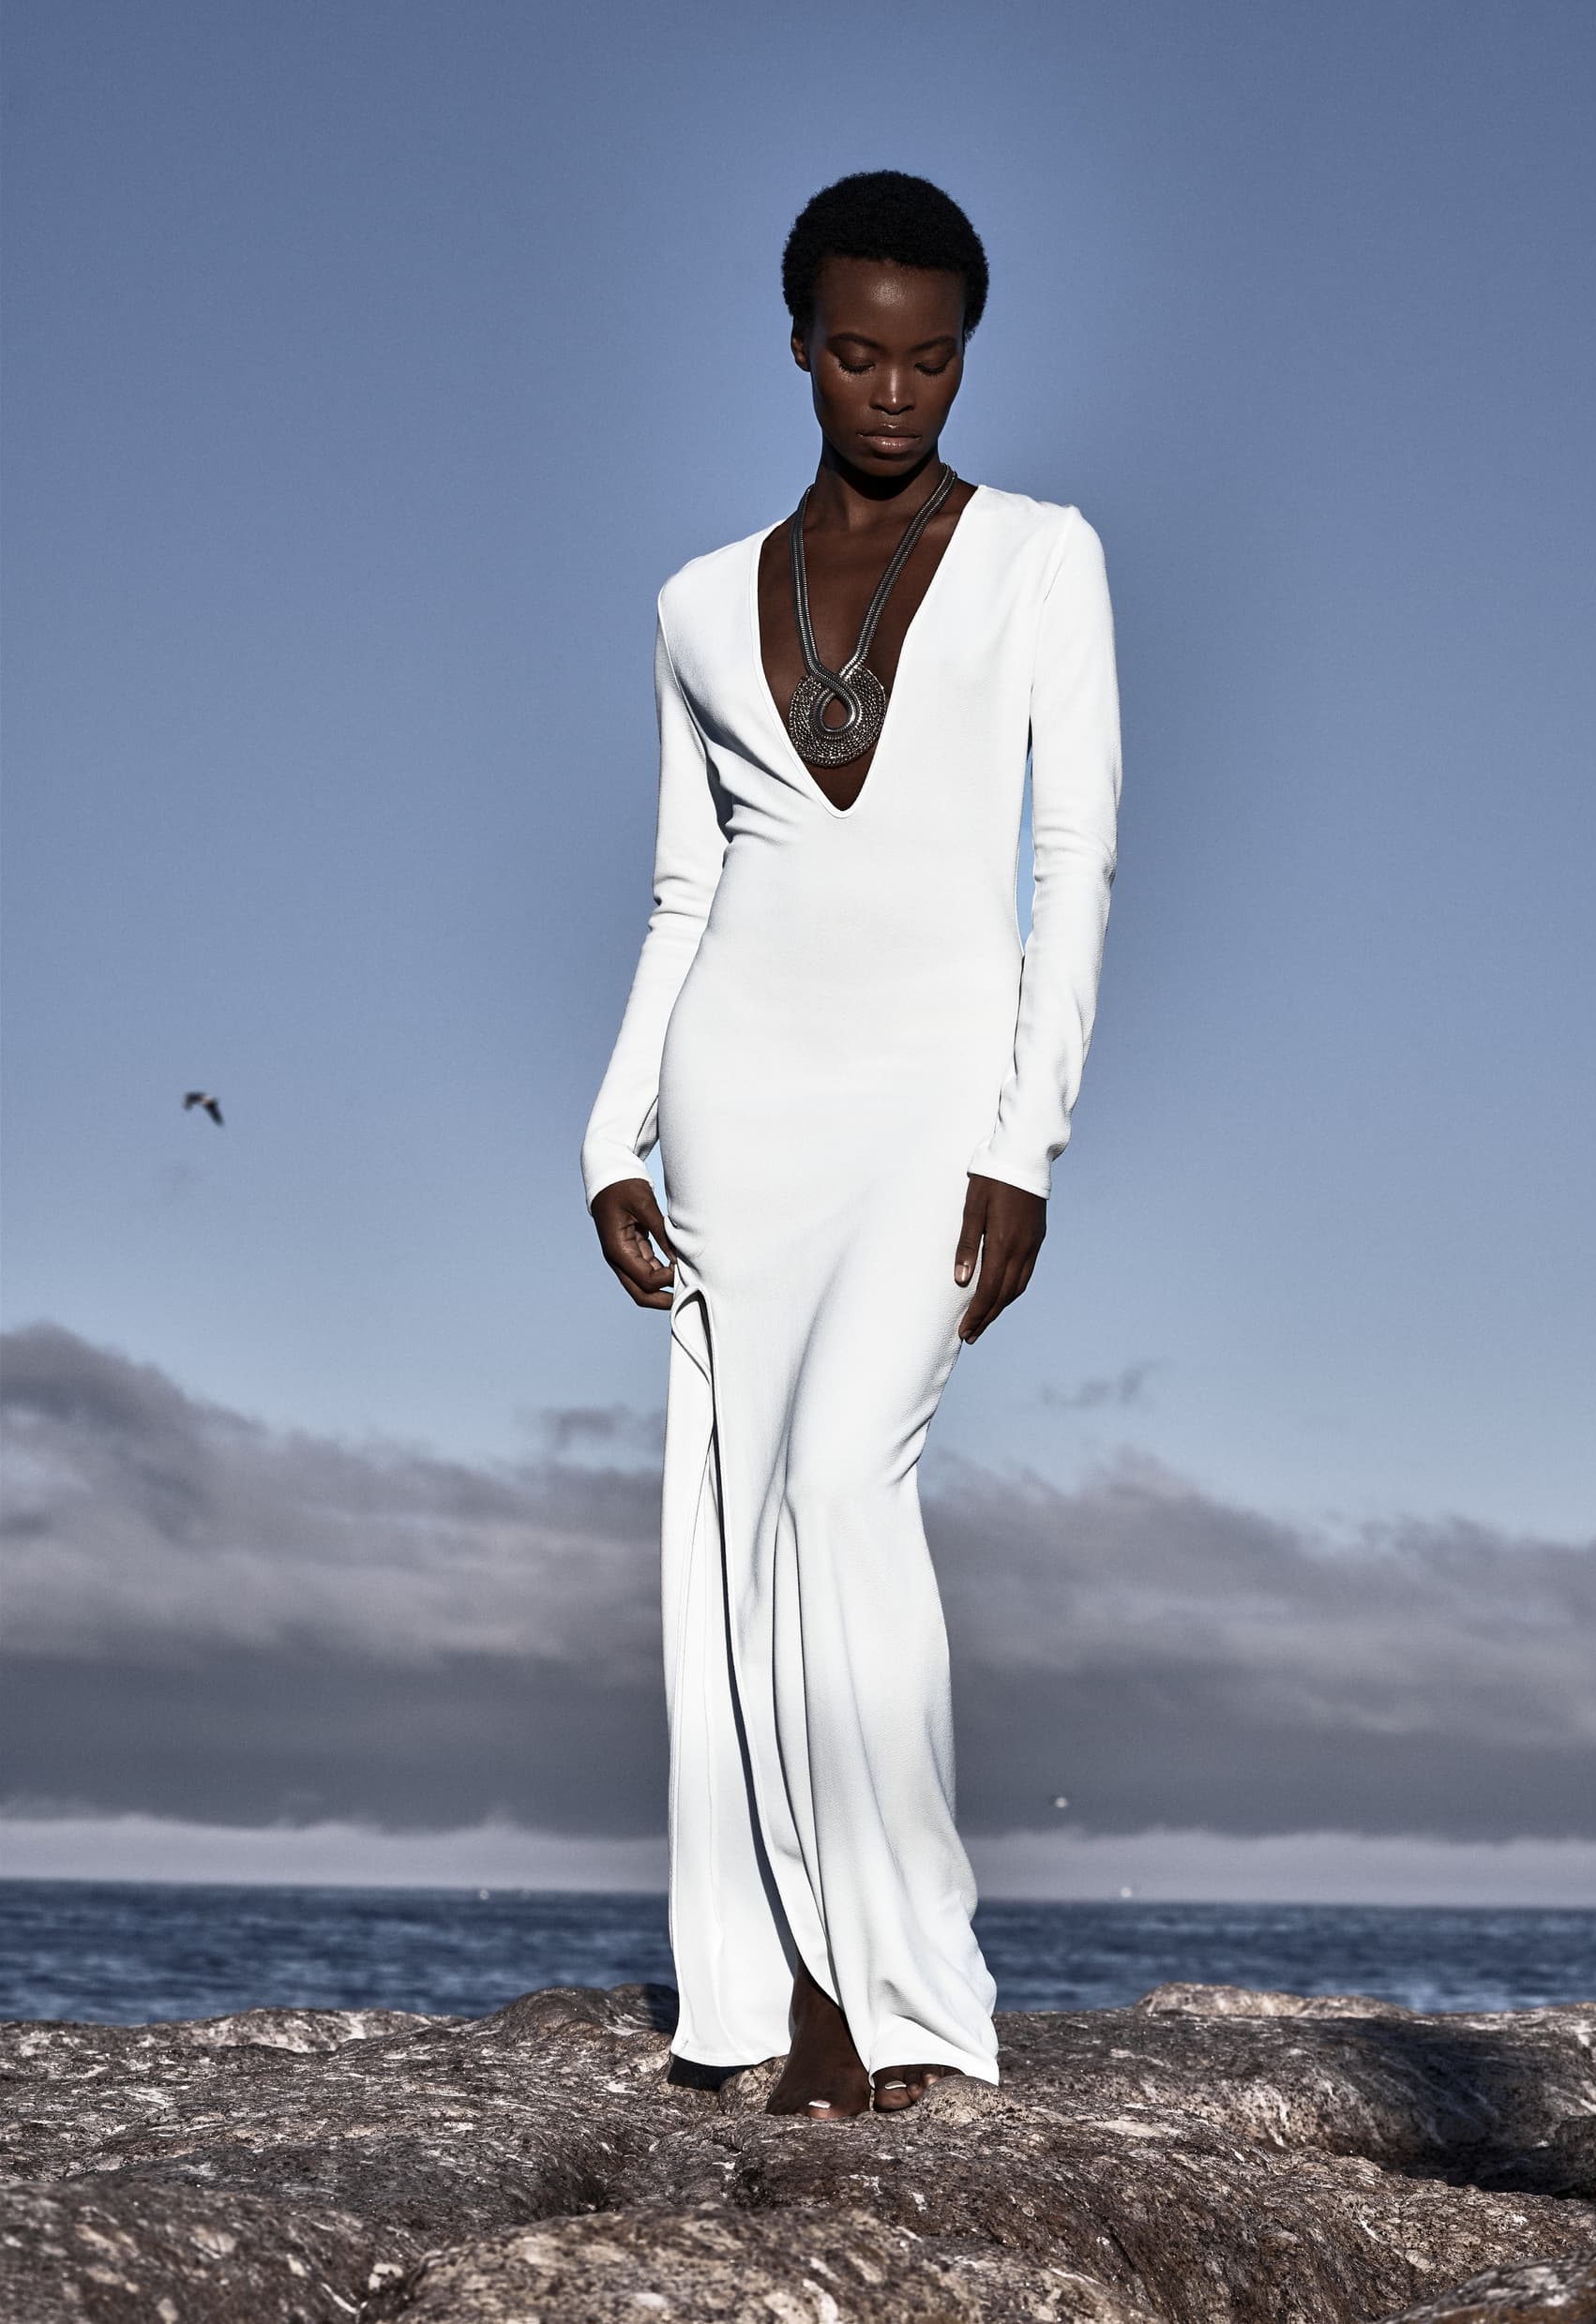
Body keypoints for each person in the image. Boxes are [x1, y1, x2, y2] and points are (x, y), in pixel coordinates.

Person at [581, 171, 1121, 2119]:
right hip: (736, 1087)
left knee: (833, 1486)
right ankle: (780, 1989)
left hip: (931, 1094)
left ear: (964, 348)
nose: (894, 388)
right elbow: (677, 889)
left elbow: (1070, 863)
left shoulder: (1044, 555)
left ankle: (907, 1986)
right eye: (855, 348)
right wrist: (606, 1132)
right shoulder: (688, 604)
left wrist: (1024, 1138)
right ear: (799, 342)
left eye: (932, 353)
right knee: (732, 1532)